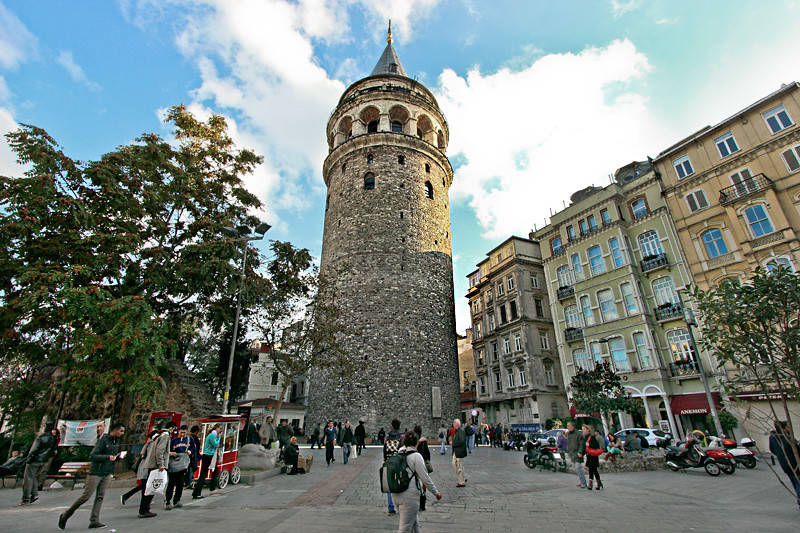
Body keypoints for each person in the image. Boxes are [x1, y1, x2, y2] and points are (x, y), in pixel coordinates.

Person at [58, 423, 124, 530]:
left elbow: (113, 456)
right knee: (86, 496)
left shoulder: (115, 442)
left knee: (100, 496)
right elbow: (93, 456)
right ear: (115, 430)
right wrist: (108, 457)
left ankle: (94, 520)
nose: (122, 433)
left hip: (106, 472)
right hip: (96, 473)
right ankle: (66, 514)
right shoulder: (103, 440)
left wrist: (118, 457)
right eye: (121, 431)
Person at [393, 431, 442, 532]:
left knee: (414, 525)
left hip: (397, 494)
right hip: (409, 496)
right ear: (416, 442)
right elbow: (425, 478)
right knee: (404, 528)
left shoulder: (399, 452)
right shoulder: (416, 456)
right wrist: (436, 492)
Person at [20, 422, 58, 505]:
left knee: (28, 478)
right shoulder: (53, 438)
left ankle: (26, 498)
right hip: (43, 460)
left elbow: (33, 450)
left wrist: (28, 459)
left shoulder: (41, 438)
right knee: (33, 477)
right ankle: (34, 494)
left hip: (35, 459)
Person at [138, 421, 171, 518]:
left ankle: (143, 509)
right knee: (151, 488)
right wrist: (161, 464)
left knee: (148, 488)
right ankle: (145, 510)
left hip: (151, 465)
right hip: (156, 466)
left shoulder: (157, 437)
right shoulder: (165, 436)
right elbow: (160, 451)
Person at [121, 430, 158, 506]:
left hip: (144, 468)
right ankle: (144, 506)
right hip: (147, 469)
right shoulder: (151, 445)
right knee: (146, 487)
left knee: (144, 486)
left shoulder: (147, 444)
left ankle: (126, 496)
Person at [769, 420, 800, 509]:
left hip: (785, 465)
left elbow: (772, 450)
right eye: (788, 427)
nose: (790, 428)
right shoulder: (788, 439)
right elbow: (798, 451)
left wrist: (781, 456)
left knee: (794, 482)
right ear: (783, 429)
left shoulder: (773, 437)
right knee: (798, 483)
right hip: (795, 465)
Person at [165, 424, 194, 509]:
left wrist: (190, 451)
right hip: (174, 463)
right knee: (171, 483)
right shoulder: (174, 440)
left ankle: (177, 500)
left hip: (183, 464)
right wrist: (171, 453)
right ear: (178, 431)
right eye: (181, 432)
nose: (182, 434)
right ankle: (167, 501)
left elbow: (193, 448)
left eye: (184, 432)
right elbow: (168, 450)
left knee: (180, 483)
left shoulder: (189, 439)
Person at [192, 423, 222, 499]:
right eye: (220, 428)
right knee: (203, 474)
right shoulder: (212, 435)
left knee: (215, 470)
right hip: (208, 455)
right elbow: (216, 444)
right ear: (217, 428)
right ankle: (197, 492)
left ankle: (212, 488)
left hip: (210, 455)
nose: (220, 430)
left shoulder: (213, 435)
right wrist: (219, 438)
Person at [384, 418, 403, 516]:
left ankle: (391, 507)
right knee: (399, 483)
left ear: (392, 426)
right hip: (398, 463)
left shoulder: (387, 437)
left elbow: (384, 450)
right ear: (399, 426)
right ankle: (400, 506)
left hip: (388, 462)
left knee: (389, 485)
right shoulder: (401, 437)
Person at [413, 425, 431, 512]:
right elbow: (428, 453)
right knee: (424, 481)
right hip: (423, 462)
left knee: (417, 481)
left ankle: (418, 498)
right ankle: (423, 499)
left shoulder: (414, 441)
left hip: (415, 463)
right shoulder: (423, 441)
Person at [565, 422, 586, 488]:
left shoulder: (578, 434)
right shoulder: (569, 434)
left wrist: (580, 452)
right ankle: (582, 481)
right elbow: (569, 443)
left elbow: (582, 444)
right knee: (577, 468)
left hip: (577, 453)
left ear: (573, 426)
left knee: (578, 467)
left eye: (569, 426)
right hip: (572, 453)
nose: (567, 427)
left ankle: (583, 483)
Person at [584, 426, 603, 490]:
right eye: (582, 429)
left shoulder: (592, 437)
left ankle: (590, 484)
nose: (583, 431)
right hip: (589, 456)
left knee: (591, 469)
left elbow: (596, 446)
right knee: (594, 470)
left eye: (584, 429)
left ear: (588, 430)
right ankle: (599, 483)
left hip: (593, 456)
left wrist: (589, 445)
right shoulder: (585, 438)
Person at [451, 419, 467, 487]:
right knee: (455, 464)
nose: (453, 425)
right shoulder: (458, 431)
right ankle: (463, 478)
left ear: (457, 424)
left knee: (459, 466)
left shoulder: (460, 431)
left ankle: (461, 482)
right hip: (457, 451)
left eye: (454, 424)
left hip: (459, 451)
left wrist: (453, 443)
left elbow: (462, 441)